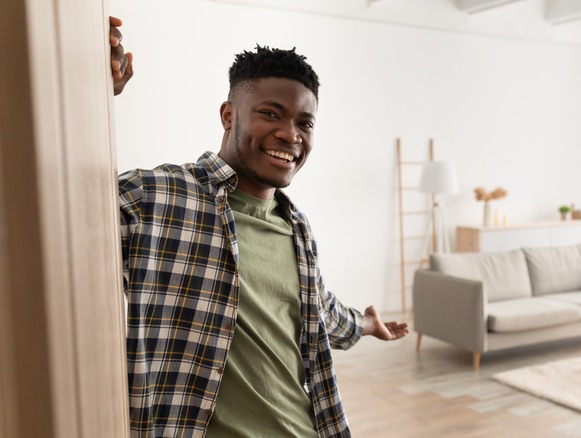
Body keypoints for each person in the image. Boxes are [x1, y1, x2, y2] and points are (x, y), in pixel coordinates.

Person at [109, 16, 409, 437]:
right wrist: (89, 96)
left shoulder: (297, 230)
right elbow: (50, 214)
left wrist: (366, 325)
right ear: (228, 115)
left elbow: (321, 312)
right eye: (271, 114)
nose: (290, 134)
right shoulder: (154, 198)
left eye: (305, 123)